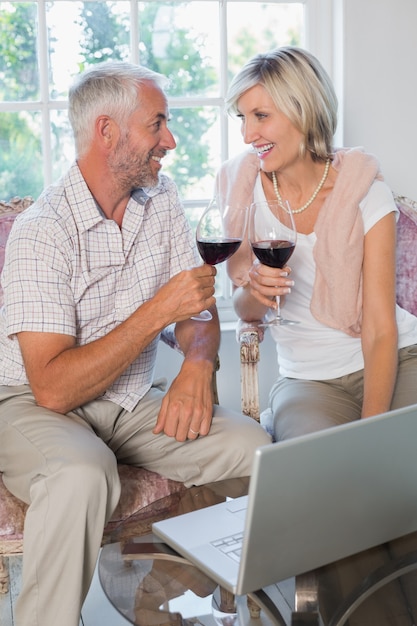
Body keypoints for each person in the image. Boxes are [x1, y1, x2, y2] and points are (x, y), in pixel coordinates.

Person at [0, 61, 271, 626]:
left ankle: (160, 598)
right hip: (29, 401)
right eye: (157, 125)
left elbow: (195, 305)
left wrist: (197, 362)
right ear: (107, 132)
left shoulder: (160, 200)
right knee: (82, 473)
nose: (170, 141)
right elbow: (51, 386)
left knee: (254, 451)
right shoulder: (42, 230)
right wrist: (157, 314)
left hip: (126, 398)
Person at [216, 46, 417, 442]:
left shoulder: (363, 189)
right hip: (309, 379)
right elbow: (245, 307)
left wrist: (370, 434)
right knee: (317, 483)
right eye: (242, 118)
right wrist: (256, 289)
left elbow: (379, 328)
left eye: (261, 116)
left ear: (303, 112)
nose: (246, 134)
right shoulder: (242, 188)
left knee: (396, 467)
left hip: (397, 358)